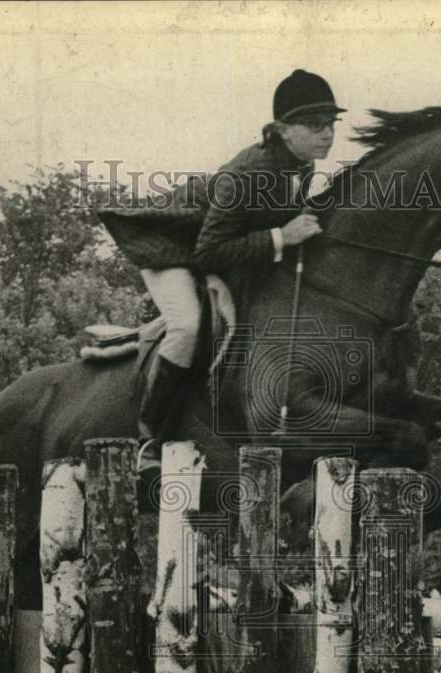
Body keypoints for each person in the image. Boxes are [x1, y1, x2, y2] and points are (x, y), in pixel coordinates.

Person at [135, 69, 346, 468]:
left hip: (221, 250)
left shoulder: (302, 164)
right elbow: (208, 251)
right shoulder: (248, 173)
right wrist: (282, 237)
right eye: (314, 125)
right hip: (173, 251)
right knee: (189, 327)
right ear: (282, 129)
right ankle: (148, 440)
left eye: (330, 125)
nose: (327, 135)